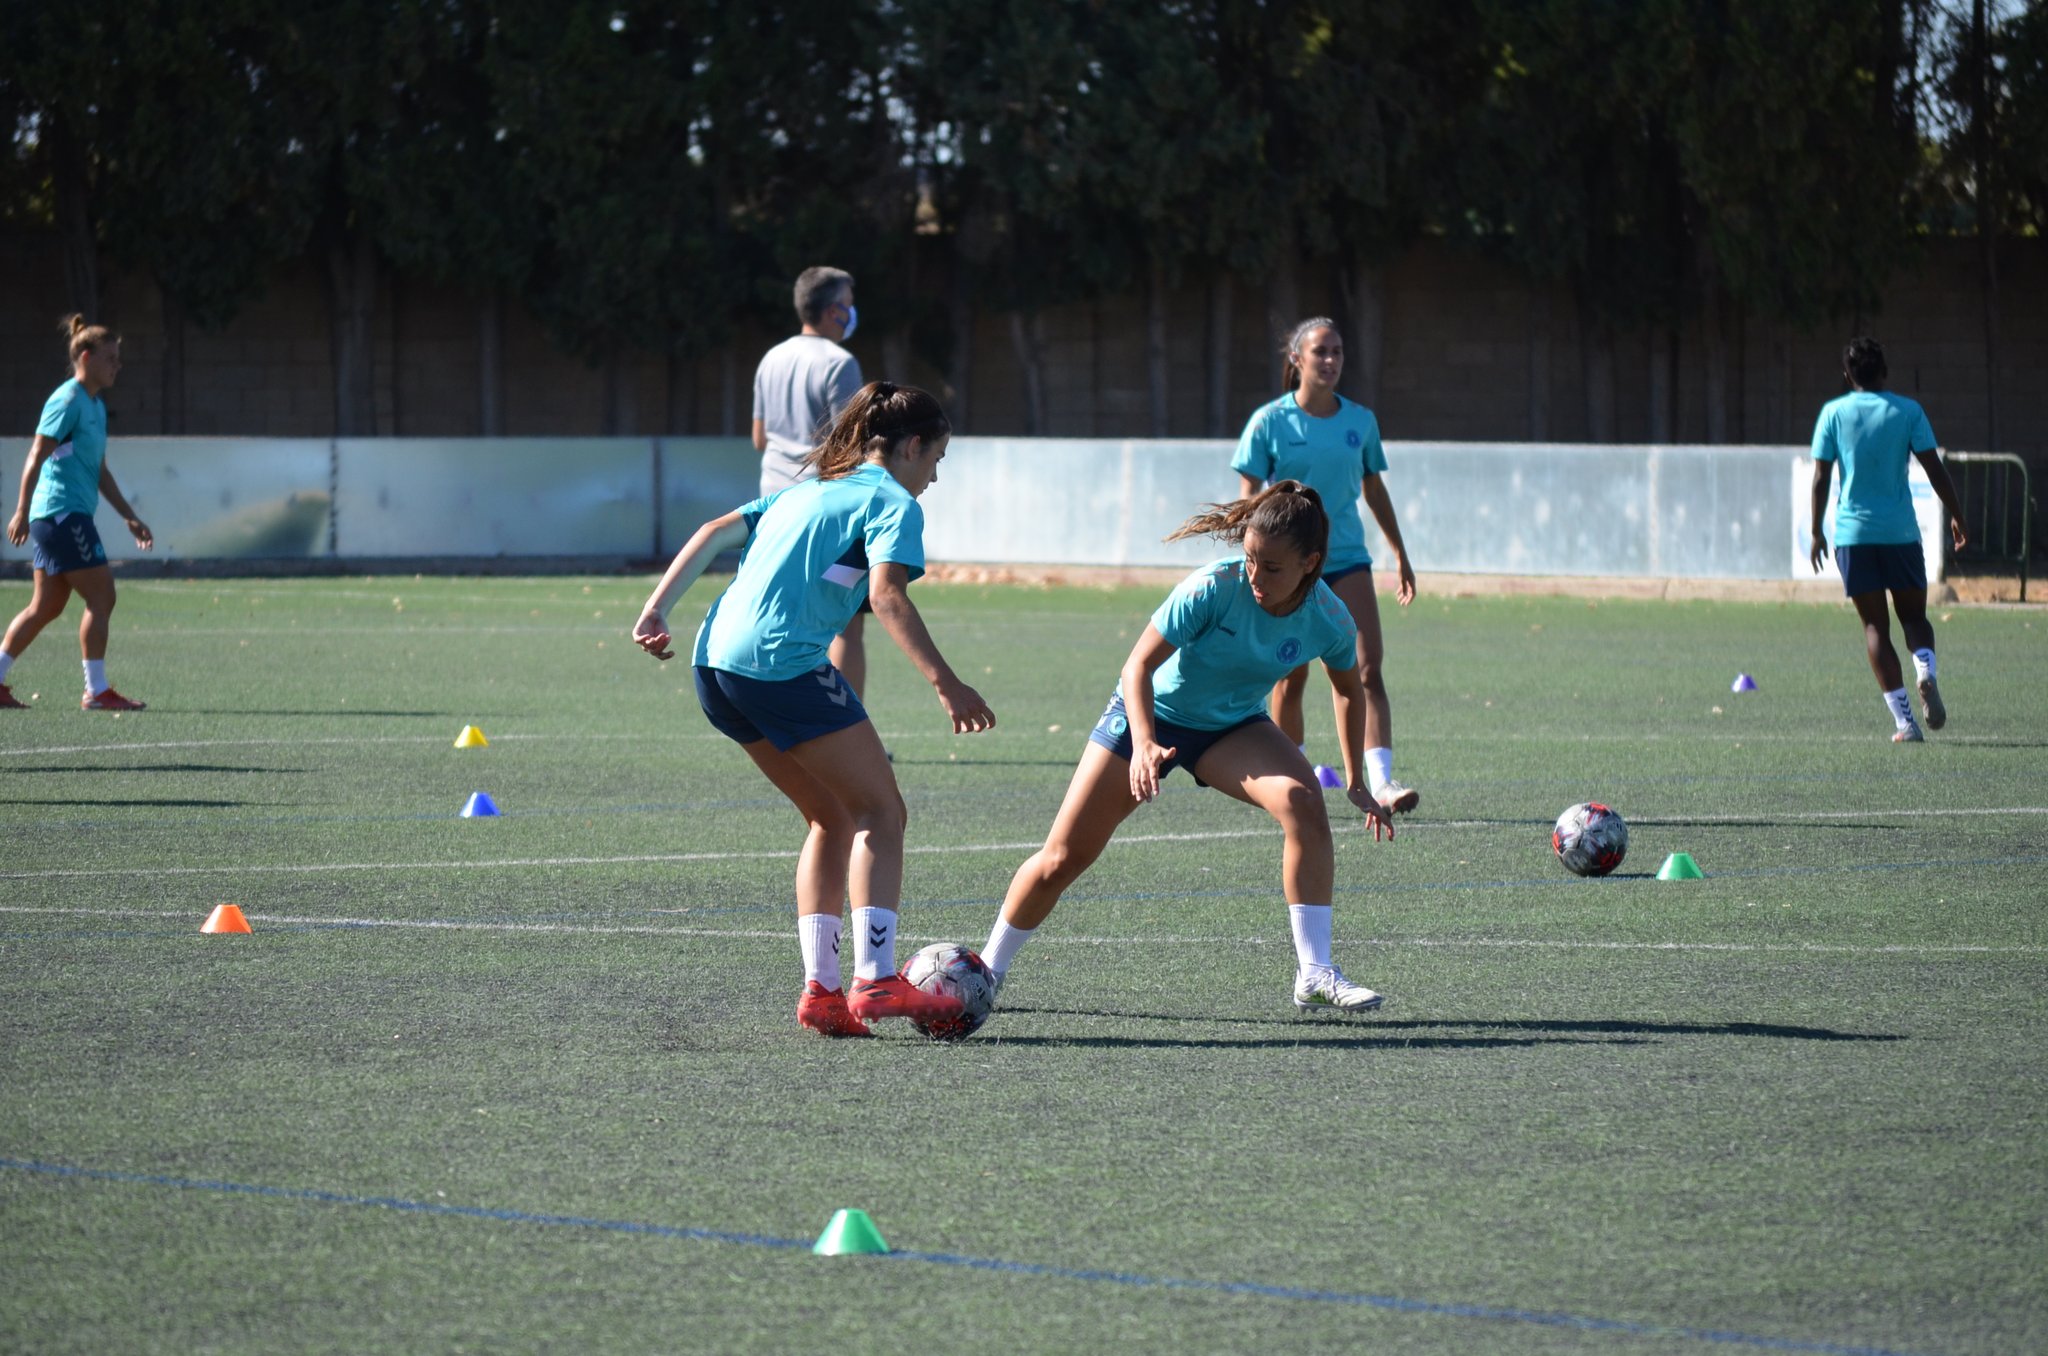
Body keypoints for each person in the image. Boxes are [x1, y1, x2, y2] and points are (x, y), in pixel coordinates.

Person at [635, 381, 995, 1037]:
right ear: (912, 447)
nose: (934, 478)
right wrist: (947, 683)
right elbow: (887, 598)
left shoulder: (809, 489)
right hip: (780, 666)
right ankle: (876, 980)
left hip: (714, 667)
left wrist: (658, 607)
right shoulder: (891, 502)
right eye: (936, 461)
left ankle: (822, 994)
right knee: (882, 812)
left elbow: (715, 530)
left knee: (830, 817)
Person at [980, 482, 1396, 1013]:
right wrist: (1145, 743)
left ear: (1311, 563)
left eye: (1272, 568)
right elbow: (1137, 668)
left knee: (1303, 801)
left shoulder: (1329, 617)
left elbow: (1347, 689)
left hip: (1232, 726)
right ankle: (987, 972)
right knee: (1064, 856)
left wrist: (1357, 780)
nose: (1255, 577)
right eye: (1249, 559)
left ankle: (1314, 973)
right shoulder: (1214, 587)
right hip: (1150, 715)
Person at [1232, 316, 1418, 814]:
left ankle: (1381, 782)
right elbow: (1248, 492)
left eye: (1337, 351)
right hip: (1289, 566)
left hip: (1346, 561)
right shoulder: (1269, 421)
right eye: (1321, 352)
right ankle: (1293, 773)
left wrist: (1399, 552)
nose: (1331, 361)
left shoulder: (1360, 421)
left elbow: (1373, 489)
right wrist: (1251, 556)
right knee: (1290, 676)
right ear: (1297, 359)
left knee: (1366, 668)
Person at [1808, 337, 1967, 743]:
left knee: (1875, 627)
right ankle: (1926, 672)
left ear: (1847, 376)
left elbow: (1821, 478)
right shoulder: (1908, 411)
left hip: (1853, 535)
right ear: (1885, 372)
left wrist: (1815, 532)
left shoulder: (1834, 413)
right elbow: (1934, 469)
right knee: (1914, 618)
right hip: (1900, 533)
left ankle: (1905, 724)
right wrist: (1958, 516)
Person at [2, 314, 153, 711]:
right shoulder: (67, 400)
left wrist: (128, 515)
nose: (117, 365)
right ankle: (97, 691)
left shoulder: (95, 406)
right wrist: (20, 509)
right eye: (110, 358)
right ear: (86, 358)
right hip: (61, 514)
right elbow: (37, 454)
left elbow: (98, 470)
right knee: (102, 594)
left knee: (46, 606)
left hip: (63, 516)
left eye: (118, 359)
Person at [752, 266, 876, 698]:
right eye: (848, 302)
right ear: (832, 311)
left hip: (773, 510)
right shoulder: (839, 362)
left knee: (784, 620)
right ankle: (846, 734)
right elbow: (848, 444)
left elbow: (759, 437)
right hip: (825, 515)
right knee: (845, 629)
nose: (851, 311)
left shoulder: (772, 357)